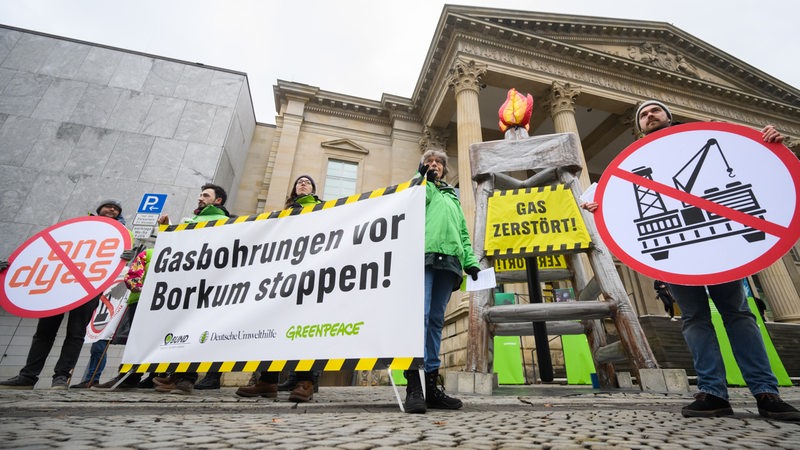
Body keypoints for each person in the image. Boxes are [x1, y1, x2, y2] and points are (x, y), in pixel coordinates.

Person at [582, 100, 800, 421]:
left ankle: (766, 392)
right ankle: (713, 393)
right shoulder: (634, 162)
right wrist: (600, 206)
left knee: (738, 313)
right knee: (695, 319)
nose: (649, 115)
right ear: (638, 127)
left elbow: (754, 165)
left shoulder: (700, 140)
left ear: (670, 117)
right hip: (676, 258)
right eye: (643, 114)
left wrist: (767, 143)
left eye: (656, 110)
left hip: (716, 248)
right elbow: (620, 205)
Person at [0, 200, 132, 390]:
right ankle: (28, 375)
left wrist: (126, 256)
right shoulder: (79, 227)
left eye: (116, 209)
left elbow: (122, 261)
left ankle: (61, 377)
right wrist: (11, 269)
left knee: (76, 334)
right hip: (61, 285)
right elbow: (50, 249)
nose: (112, 209)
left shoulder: (123, 234)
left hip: (90, 288)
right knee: (44, 332)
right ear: (98, 210)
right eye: (108, 206)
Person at [402, 150, 480, 414]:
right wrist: (420, 176)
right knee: (419, 318)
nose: (434, 165)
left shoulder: (452, 198)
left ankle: (431, 386)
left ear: (445, 169)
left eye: (438, 163)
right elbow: (414, 203)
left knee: (436, 321)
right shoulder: (422, 188)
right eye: (428, 162)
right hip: (423, 258)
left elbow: (462, 233)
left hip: (449, 264)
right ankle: (414, 385)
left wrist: (470, 262)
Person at [234, 175, 322, 402]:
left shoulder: (323, 209)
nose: (303, 183)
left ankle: (305, 381)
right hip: (282, 277)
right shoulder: (283, 213)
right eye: (299, 182)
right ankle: (267, 380)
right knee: (272, 325)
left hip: (309, 276)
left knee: (303, 328)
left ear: (313, 189)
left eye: (307, 182)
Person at [150, 183, 232, 395]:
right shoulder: (191, 220)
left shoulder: (224, 221)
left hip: (206, 283)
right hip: (185, 284)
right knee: (181, 331)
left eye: (206, 195)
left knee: (197, 330)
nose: (200, 198)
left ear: (218, 201)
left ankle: (187, 378)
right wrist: (166, 229)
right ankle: (176, 375)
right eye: (200, 194)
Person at [91, 248, 156, 390]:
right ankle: (129, 377)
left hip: (162, 301)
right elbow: (133, 275)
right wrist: (139, 287)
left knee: (157, 340)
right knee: (137, 341)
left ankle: (154, 377)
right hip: (140, 301)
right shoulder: (148, 253)